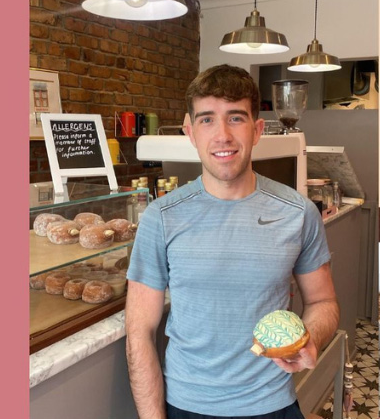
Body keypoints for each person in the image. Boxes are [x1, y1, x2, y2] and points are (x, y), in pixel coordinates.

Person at [125, 64, 339, 419]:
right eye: (207, 119)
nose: (222, 135)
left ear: (256, 130)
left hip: (273, 404)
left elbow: (324, 301)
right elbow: (139, 333)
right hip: (187, 406)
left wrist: (308, 337)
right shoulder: (161, 218)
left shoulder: (298, 212)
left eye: (235, 118)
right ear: (190, 132)